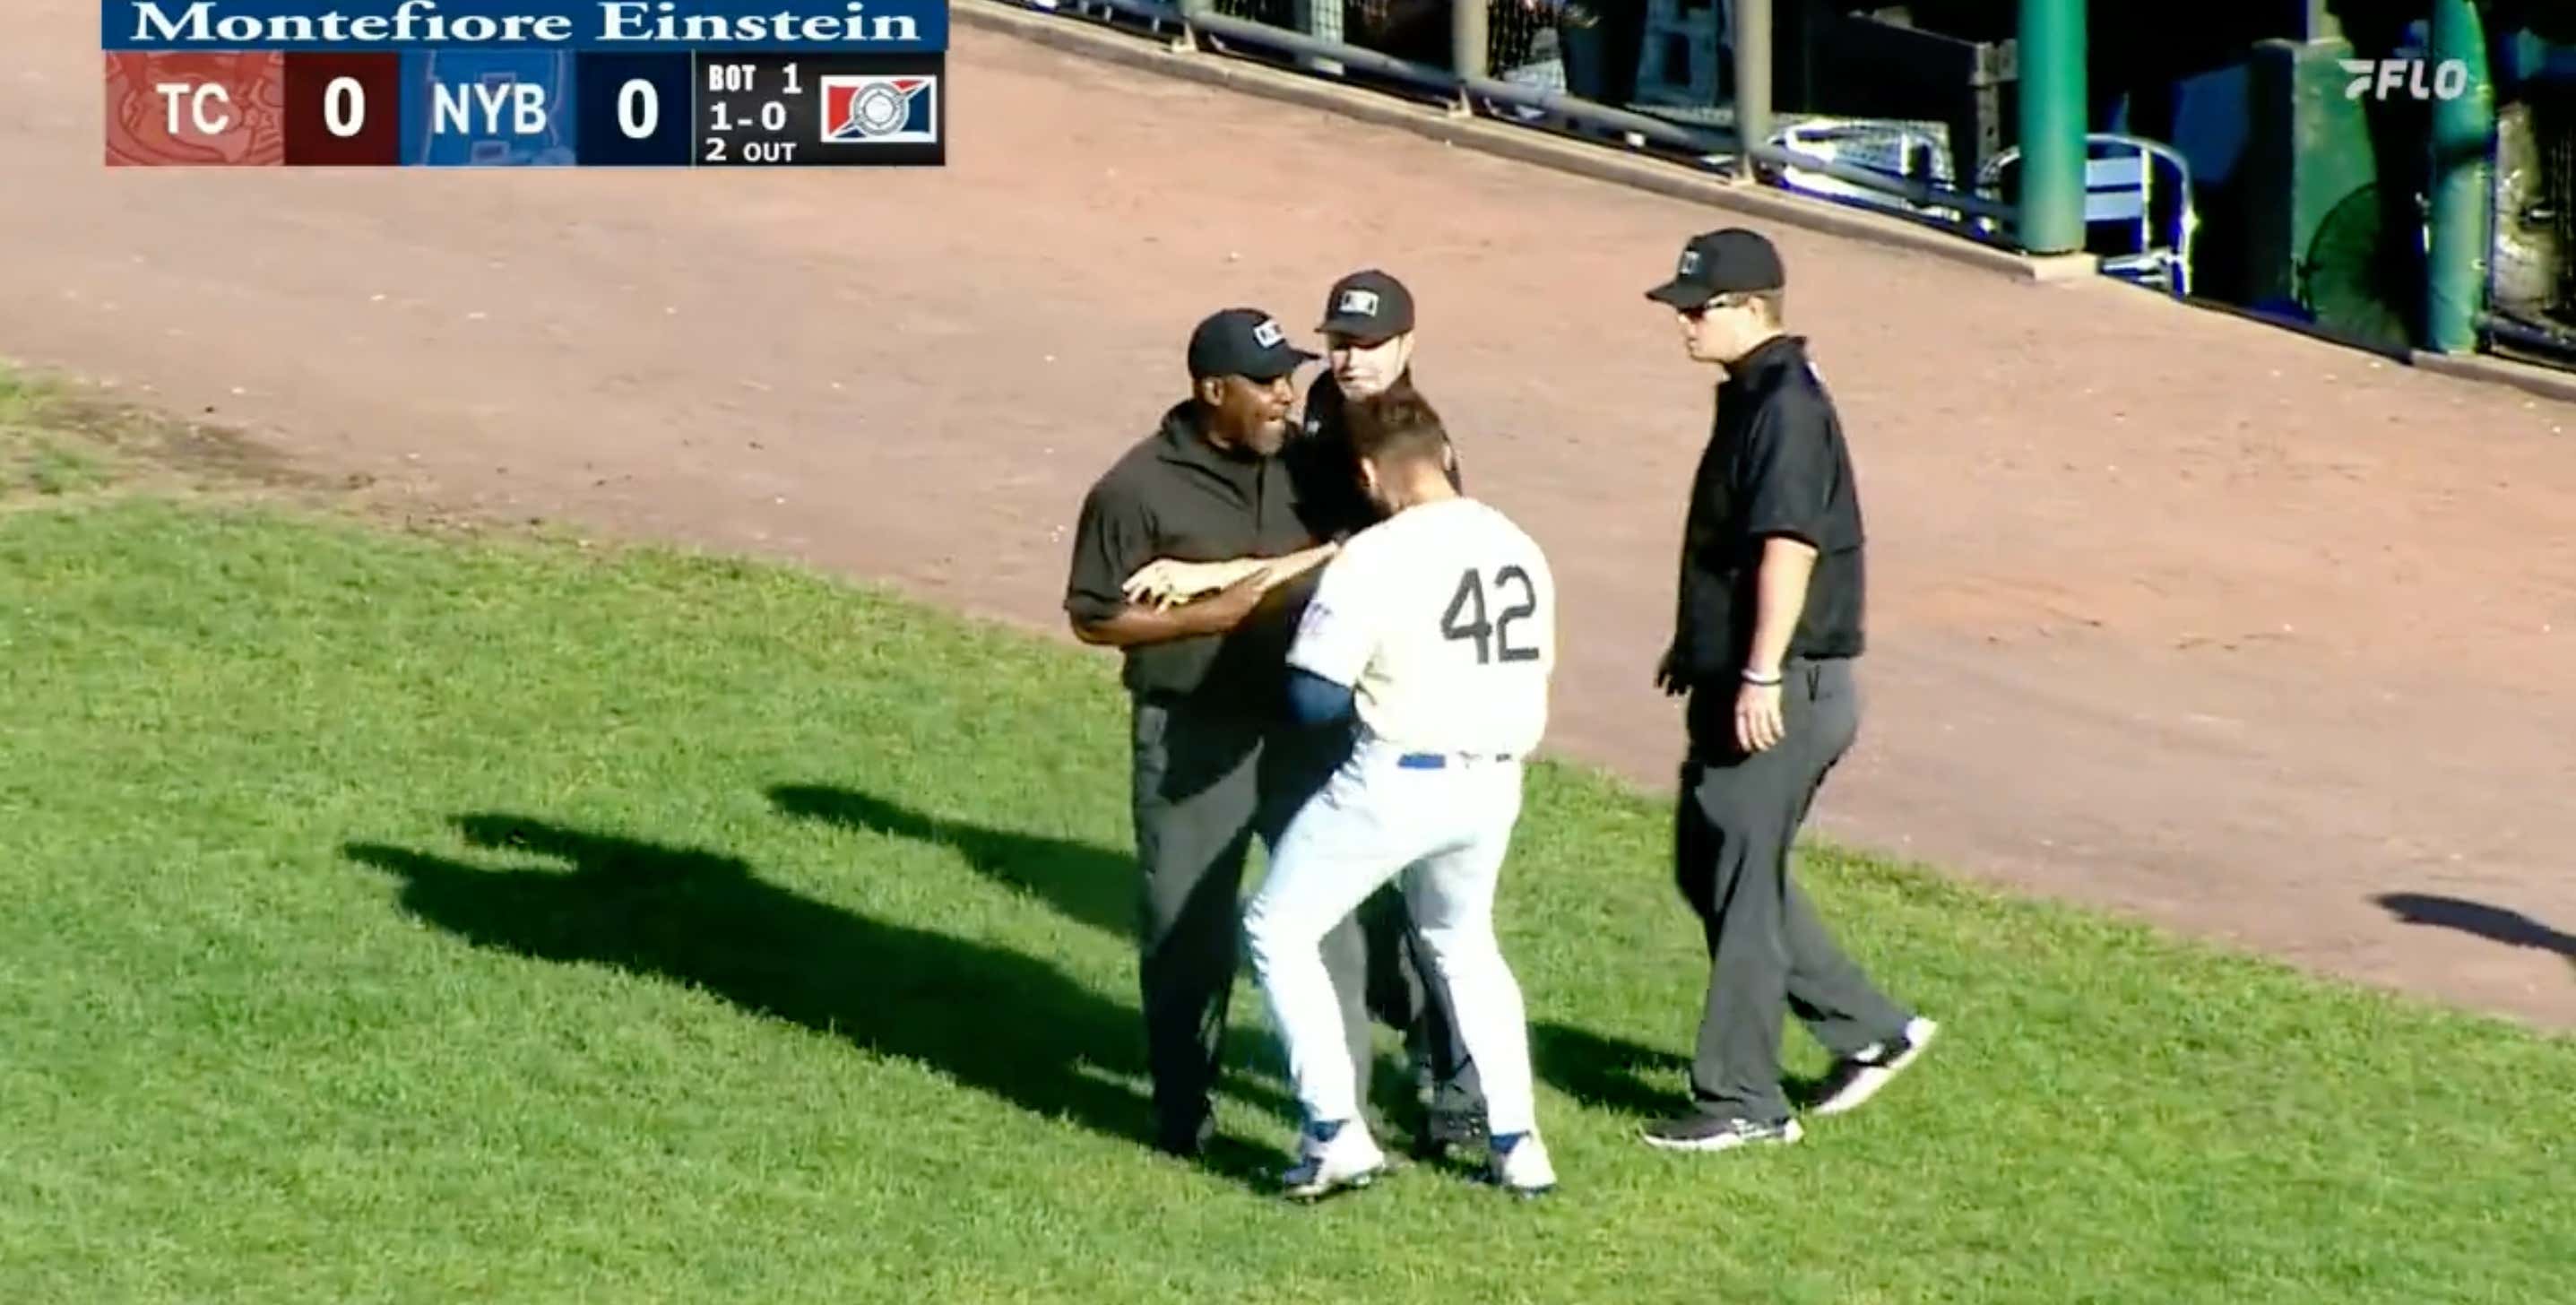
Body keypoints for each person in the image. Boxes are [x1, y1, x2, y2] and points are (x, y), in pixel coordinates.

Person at [1638, 228, 1938, 1153]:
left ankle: (1742, 1099)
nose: (1683, 322)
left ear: (1751, 308)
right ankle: (1872, 1030)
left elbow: (1788, 545)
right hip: (1751, 674)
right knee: (1713, 863)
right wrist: (1700, 646)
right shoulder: (1753, 394)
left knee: (1741, 882)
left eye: (1698, 307)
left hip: (1787, 684)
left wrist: (1760, 667)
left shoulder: (1787, 406)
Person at [1060, 307, 1385, 1161]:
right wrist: (1206, 619)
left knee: (1328, 919)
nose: (1287, 396)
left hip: (1305, 726)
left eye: (1289, 377)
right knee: (1187, 925)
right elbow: (1093, 617)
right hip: (1194, 733)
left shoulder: (1312, 466)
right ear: (1213, 391)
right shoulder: (1136, 489)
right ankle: (1182, 1116)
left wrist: (1237, 583)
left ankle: (1344, 1118)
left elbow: (1365, 544)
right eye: (1268, 383)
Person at [1239, 386, 1560, 1200]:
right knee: (1463, 942)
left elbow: (1314, 696)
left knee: (1277, 926)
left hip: (1399, 779)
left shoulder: (1376, 556)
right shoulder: (1516, 542)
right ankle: (1519, 1144)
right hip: (1495, 782)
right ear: (1445, 453)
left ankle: (1333, 1132)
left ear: (1369, 475)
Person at [1292, 268, 1488, 1156]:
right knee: (1380, 902)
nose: (1349, 355)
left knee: (1424, 909)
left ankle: (1459, 1090)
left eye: (1368, 342)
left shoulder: (1412, 434)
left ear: (1408, 345)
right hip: (1350, 679)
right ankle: (1424, 1059)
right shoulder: (1325, 409)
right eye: (1340, 337)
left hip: (1402, 695)